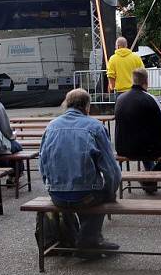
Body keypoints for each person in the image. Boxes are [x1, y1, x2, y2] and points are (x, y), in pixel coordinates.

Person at [39, 89, 122, 257]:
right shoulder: (95, 127)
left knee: (74, 195)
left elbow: (42, 163)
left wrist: (51, 185)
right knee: (98, 194)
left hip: (57, 194)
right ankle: (89, 240)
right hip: (86, 195)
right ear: (87, 107)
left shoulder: (51, 126)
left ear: (66, 104)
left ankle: (80, 237)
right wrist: (110, 191)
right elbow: (111, 170)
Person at [115, 68, 161, 193]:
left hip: (123, 147)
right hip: (147, 148)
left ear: (132, 80)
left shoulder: (120, 99)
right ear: (147, 81)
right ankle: (150, 178)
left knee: (145, 141)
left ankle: (150, 178)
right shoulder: (151, 99)